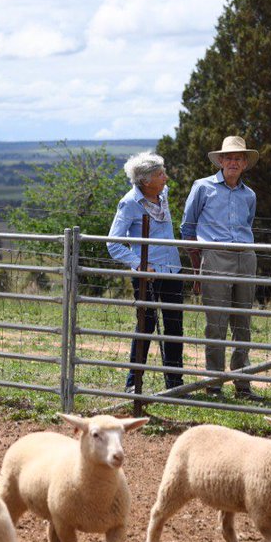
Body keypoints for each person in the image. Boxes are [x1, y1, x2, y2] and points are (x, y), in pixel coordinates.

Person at [181, 135, 259, 399]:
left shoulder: (249, 195)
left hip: (246, 257)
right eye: (228, 158)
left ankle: (242, 384)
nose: (233, 162)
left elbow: (248, 224)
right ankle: (213, 383)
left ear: (245, 163)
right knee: (216, 323)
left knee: (243, 323)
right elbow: (187, 228)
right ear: (220, 161)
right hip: (214, 256)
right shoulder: (202, 187)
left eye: (238, 158)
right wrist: (197, 267)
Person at [107, 152, 185, 392]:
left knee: (174, 326)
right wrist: (139, 264)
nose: (166, 177)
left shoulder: (164, 195)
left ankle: (175, 383)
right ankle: (133, 382)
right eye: (160, 174)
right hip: (147, 274)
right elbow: (113, 242)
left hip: (172, 270)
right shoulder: (129, 203)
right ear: (145, 180)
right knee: (146, 325)